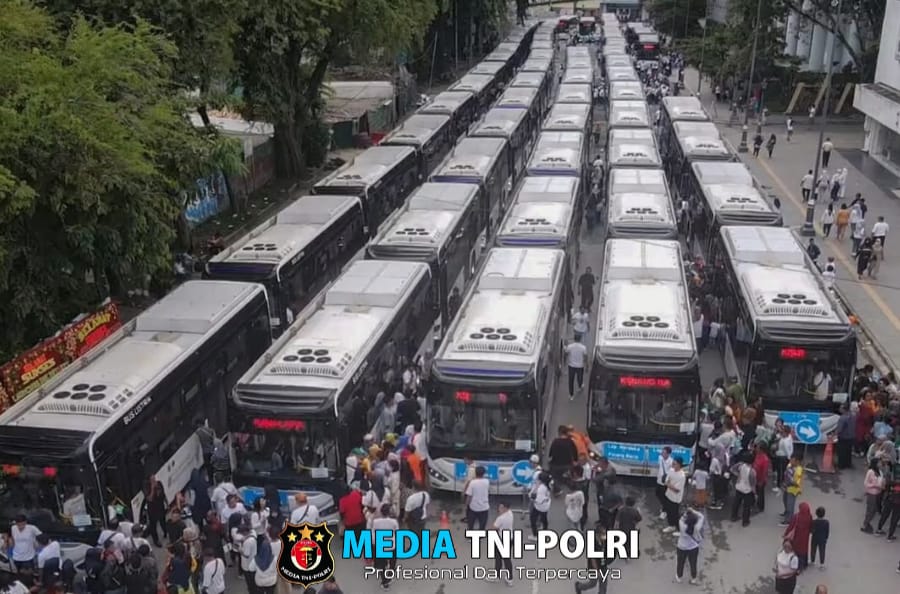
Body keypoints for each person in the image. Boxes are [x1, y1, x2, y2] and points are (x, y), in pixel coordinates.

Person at [574, 526, 610, 594]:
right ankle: (579, 586)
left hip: (603, 565)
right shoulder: (592, 544)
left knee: (603, 586)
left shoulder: (604, 541)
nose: (605, 535)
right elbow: (593, 560)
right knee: (593, 583)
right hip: (593, 567)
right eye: (603, 534)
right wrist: (597, 571)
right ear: (598, 534)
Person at [371, 504, 399, 590]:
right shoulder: (394, 522)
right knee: (393, 561)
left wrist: (374, 544)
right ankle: (390, 575)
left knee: (381, 565)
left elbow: (373, 534)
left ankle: (384, 582)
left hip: (380, 545)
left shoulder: (376, 522)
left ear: (381, 512)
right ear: (389, 512)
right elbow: (397, 532)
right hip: (391, 545)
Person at [674, 508, 704, 584]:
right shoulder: (697, 527)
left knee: (680, 562)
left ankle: (679, 577)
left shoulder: (681, 524)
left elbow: (681, 516)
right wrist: (693, 511)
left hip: (681, 547)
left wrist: (688, 511)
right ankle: (693, 578)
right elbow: (701, 516)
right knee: (693, 563)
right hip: (693, 547)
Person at [784, 502, 812, 571]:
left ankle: (797, 566)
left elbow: (791, 526)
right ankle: (804, 564)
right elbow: (811, 526)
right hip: (805, 537)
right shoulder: (809, 516)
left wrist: (786, 534)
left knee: (797, 550)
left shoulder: (796, 516)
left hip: (797, 536)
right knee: (804, 550)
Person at [491, 502, 514, 586]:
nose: (499, 509)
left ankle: (497, 576)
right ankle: (509, 578)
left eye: (501, 507)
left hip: (501, 540)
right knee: (507, 558)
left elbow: (494, 527)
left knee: (498, 558)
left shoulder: (500, 518)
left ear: (505, 508)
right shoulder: (510, 513)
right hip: (509, 538)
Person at [730, 453, 756, 526]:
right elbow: (753, 484)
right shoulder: (752, 472)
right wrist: (755, 493)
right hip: (747, 490)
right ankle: (745, 521)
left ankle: (733, 516)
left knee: (736, 503)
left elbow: (732, 469)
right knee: (746, 506)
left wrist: (738, 475)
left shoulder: (740, 465)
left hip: (739, 487)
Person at [662, 457, 686, 534]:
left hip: (676, 498)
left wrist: (669, 484)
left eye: (674, 464)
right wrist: (670, 485)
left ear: (679, 464)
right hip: (668, 495)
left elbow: (677, 489)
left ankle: (680, 530)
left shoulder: (682, 476)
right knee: (669, 512)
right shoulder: (671, 470)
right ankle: (671, 526)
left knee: (675, 514)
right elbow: (666, 481)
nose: (672, 465)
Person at [862, 458, 885, 532]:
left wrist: (882, 484)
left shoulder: (880, 472)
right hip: (872, 494)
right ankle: (865, 524)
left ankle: (867, 522)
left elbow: (881, 481)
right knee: (870, 510)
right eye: (879, 463)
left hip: (878, 493)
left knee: (875, 510)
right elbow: (866, 483)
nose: (880, 464)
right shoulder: (870, 472)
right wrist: (874, 485)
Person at [254, 528, 280, 594]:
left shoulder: (256, 559)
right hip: (271, 581)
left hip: (259, 581)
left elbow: (251, 568)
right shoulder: (274, 558)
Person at [781, 453, 804, 525]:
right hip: (786, 487)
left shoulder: (799, 470)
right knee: (785, 500)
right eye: (790, 459)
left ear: (797, 461)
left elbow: (796, 482)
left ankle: (788, 520)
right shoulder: (789, 465)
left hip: (793, 490)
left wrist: (789, 482)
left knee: (790, 505)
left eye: (792, 460)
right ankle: (786, 513)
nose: (790, 461)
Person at [529, 472, 552, 541]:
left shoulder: (541, 488)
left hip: (539, 507)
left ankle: (535, 535)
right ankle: (545, 533)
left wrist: (532, 497)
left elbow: (538, 500)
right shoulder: (548, 485)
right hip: (546, 506)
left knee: (533, 519)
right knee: (544, 519)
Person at [655, 447, 673, 517]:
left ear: (668, 454)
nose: (662, 454)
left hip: (665, 482)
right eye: (662, 452)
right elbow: (659, 466)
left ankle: (664, 511)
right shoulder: (660, 458)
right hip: (659, 480)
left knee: (664, 496)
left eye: (664, 453)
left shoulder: (671, 462)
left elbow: (671, 472)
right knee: (657, 493)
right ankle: (665, 506)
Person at [752, 444, 770, 512]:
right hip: (755, 477)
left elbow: (764, 472)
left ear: (761, 450)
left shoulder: (765, 459)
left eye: (758, 448)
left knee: (760, 494)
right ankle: (755, 504)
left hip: (761, 479)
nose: (756, 449)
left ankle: (760, 507)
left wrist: (762, 481)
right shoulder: (757, 455)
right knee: (755, 492)